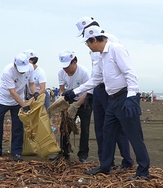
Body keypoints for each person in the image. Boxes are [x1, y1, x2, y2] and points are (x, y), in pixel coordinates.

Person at [63, 26, 150, 180]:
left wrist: (131, 97)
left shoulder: (116, 50)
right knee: (108, 133)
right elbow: (96, 79)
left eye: (88, 43)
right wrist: (75, 92)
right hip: (113, 100)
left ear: (94, 39)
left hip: (125, 97)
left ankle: (143, 171)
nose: (88, 47)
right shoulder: (101, 57)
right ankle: (105, 166)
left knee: (134, 135)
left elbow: (130, 73)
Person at [76, 16, 133, 170]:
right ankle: (105, 162)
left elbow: (120, 65)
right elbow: (96, 73)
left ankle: (127, 161)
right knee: (100, 129)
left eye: (85, 33)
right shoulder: (91, 45)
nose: (84, 37)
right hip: (98, 90)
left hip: (110, 90)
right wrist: (90, 93)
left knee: (117, 129)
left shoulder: (109, 40)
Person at [0, 53, 38, 162]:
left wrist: (35, 93)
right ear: (15, 65)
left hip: (18, 100)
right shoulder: (8, 71)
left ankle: (17, 152)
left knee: (18, 126)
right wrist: (24, 105)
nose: (22, 71)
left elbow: (31, 83)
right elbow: (12, 92)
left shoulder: (30, 68)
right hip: (3, 99)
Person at [48, 50, 92, 163]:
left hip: (85, 101)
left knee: (85, 129)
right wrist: (64, 104)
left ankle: (83, 155)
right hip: (70, 100)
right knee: (65, 127)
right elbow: (62, 89)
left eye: (67, 66)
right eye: (63, 67)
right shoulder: (61, 73)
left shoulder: (84, 73)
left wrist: (76, 105)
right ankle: (63, 152)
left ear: (75, 62)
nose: (65, 69)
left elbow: (88, 92)